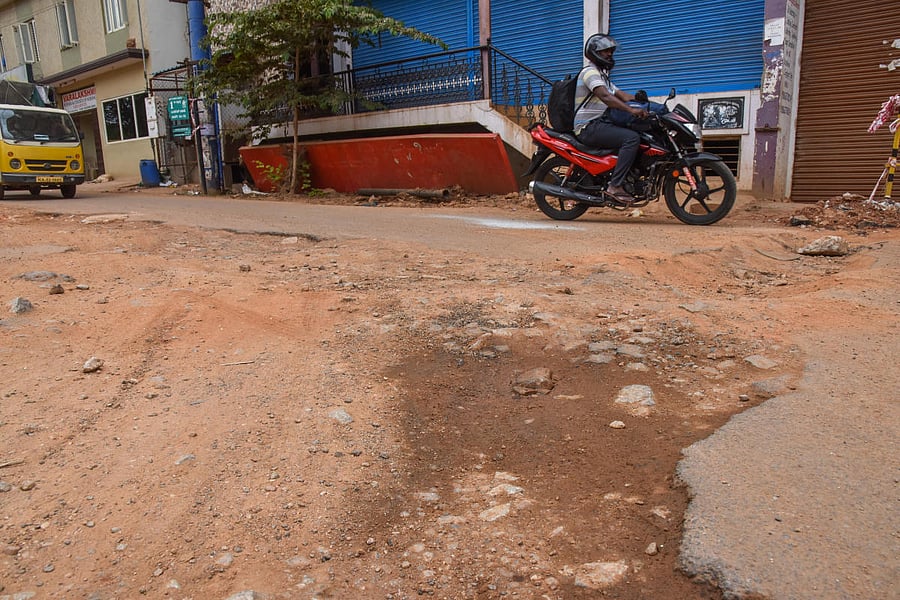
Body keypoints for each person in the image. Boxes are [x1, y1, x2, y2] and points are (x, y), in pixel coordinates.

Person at [573, 33, 648, 202]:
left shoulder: (602, 76)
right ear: (594, 53)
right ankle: (615, 186)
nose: (609, 55)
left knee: (636, 134)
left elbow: (621, 95)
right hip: (588, 126)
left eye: (611, 51)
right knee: (631, 139)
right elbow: (606, 97)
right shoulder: (589, 73)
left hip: (600, 123)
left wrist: (646, 104)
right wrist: (631, 111)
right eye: (605, 51)